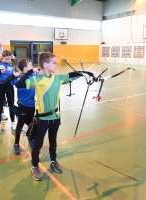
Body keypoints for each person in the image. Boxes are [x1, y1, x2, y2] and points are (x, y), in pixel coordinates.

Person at [15, 52, 94, 181]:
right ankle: (35, 166)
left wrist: (87, 73)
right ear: (45, 65)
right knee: (38, 144)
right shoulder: (36, 79)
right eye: (54, 63)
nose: (56, 65)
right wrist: (31, 72)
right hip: (42, 119)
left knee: (53, 141)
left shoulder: (57, 78)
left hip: (55, 117)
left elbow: (72, 75)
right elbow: (18, 84)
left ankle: (53, 160)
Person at [4, 58, 37, 155]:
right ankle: (16, 144)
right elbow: (6, 82)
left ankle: (30, 139)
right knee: (20, 125)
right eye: (31, 66)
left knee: (31, 123)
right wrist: (13, 75)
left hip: (32, 104)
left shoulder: (33, 75)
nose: (33, 67)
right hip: (23, 105)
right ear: (25, 68)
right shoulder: (19, 78)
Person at [0, 50, 17, 134]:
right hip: (0, 86)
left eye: (10, 59)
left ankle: (13, 122)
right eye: (6, 59)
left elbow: (13, 76)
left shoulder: (10, 65)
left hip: (9, 86)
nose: (8, 61)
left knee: (11, 105)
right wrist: (1, 72)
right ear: (2, 57)